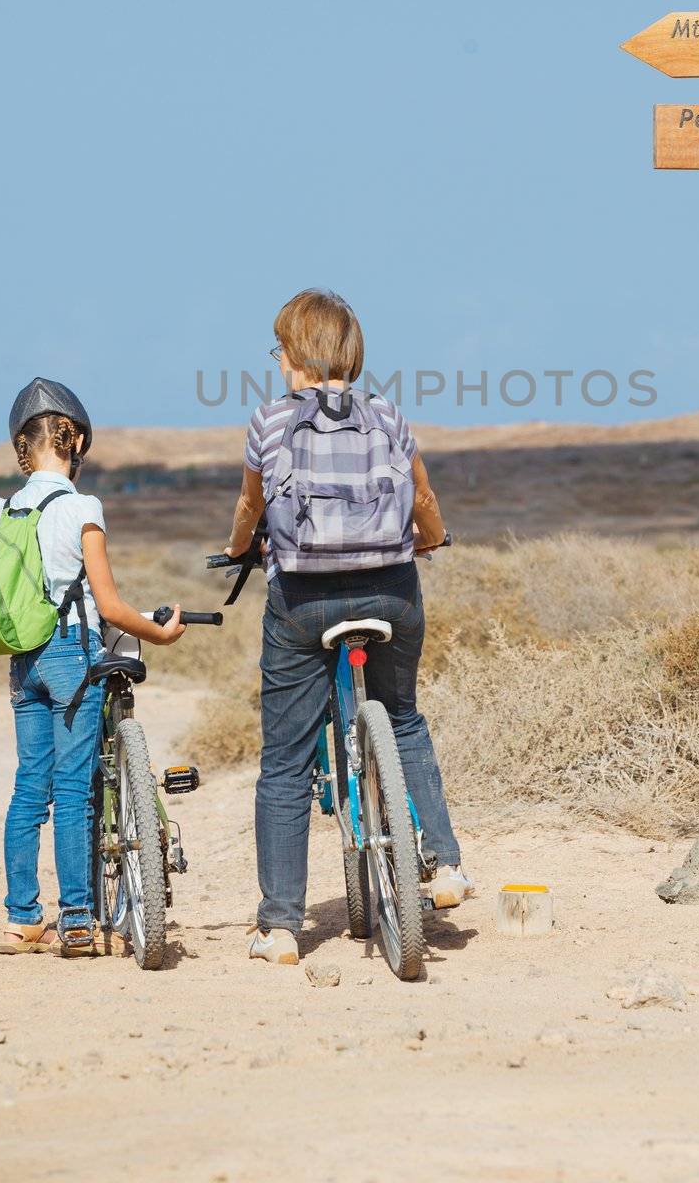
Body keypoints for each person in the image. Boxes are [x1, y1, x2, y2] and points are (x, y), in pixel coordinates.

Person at [225, 289, 471, 965]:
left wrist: (237, 545)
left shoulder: (270, 422)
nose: (277, 363)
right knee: (405, 718)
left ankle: (279, 926)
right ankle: (444, 865)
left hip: (303, 600)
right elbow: (422, 497)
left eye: (279, 350)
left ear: (298, 356)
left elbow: (251, 503)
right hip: (390, 592)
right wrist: (433, 539)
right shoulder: (387, 414)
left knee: (282, 761)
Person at [0, 378, 186, 958]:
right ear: (71, 439)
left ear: (24, 446)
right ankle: (77, 919)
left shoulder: (2, 511)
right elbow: (110, 607)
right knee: (75, 791)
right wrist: (161, 631)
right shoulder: (81, 508)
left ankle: (22, 919)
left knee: (30, 790)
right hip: (71, 654)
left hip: (23, 662)